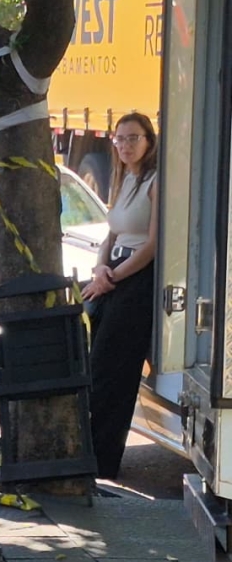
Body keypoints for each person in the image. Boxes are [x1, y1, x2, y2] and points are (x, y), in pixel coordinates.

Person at [82, 112, 159, 480]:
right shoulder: (124, 178)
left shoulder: (155, 182)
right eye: (120, 139)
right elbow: (111, 235)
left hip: (135, 280)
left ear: (149, 141)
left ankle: (105, 463)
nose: (126, 145)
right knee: (93, 366)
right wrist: (100, 269)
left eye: (134, 138)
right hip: (111, 274)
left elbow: (152, 246)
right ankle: (88, 454)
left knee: (115, 374)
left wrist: (111, 277)